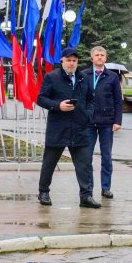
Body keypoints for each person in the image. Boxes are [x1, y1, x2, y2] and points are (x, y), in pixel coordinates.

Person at [37, 48, 97, 208]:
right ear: (62, 60)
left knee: (84, 165)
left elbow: (91, 99)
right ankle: (43, 192)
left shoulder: (84, 78)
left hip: (79, 127)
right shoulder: (52, 77)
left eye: (74, 60)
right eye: (68, 60)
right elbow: (41, 98)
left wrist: (87, 115)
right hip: (58, 128)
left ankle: (86, 196)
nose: (71, 63)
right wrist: (58, 105)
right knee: (49, 163)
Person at [83, 46, 123, 200]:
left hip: (107, 123)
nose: (99, 57)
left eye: (102, 55)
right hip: (89, 122)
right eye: (96, 55)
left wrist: (117, 121)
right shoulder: (84, 75)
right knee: (87, 157)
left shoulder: (112, 77)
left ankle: (106, 188)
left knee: (106, 156)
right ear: (91, 58)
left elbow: (118, 101)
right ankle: (88, 188)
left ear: (105, 58)